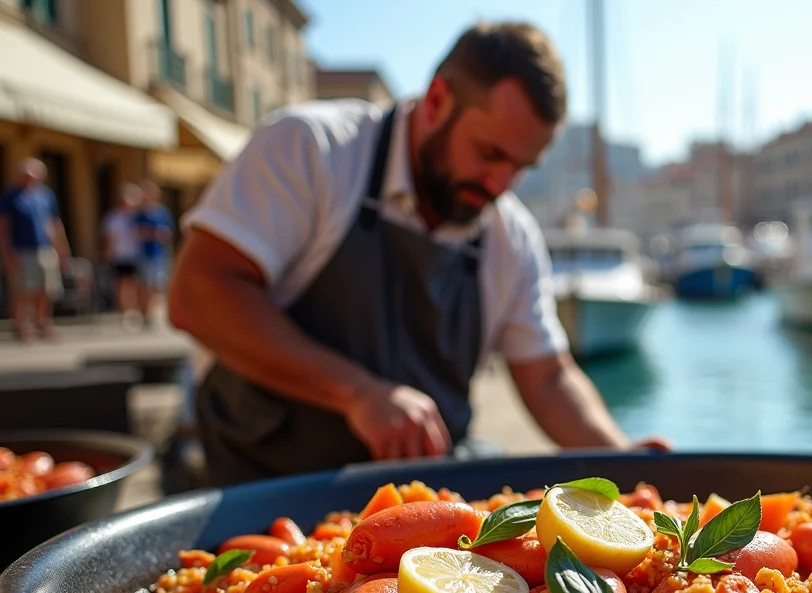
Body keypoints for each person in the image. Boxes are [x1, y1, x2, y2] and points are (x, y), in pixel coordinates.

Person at [169, 21, 668, 487]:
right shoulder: (310, 149)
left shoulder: (510, 235)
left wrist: (620, 459)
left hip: (419, 503)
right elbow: (199, 292)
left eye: (520, 167)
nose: (499, 184)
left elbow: (548, 378)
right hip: (262, 487)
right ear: (435, 101)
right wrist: (357, 392)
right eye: (489, 153)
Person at [0, 158, 71, 342]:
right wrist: (6, 252)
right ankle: (22, 326)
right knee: (23, 290)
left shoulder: (45, 195)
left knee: (47, 290)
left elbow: (54, 222)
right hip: (21, 250)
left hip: (45, 249)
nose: (29, 179)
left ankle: (43, 323)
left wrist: (62, 247)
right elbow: (4, 227)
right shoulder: (11, 197)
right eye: (26, 175)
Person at [102, 183, 145, 327]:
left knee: (133, 284)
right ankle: (125, 311)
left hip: (135, 255)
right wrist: (109, 254)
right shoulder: (114, 218)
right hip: (120, 255)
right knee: (121, 285)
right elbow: (109, 238)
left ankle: (133, 310)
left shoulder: (138, 218)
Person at [135, 180, 174, 324]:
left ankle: (155, 312)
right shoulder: (141, 213)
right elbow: (138, 232)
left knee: (159, 285)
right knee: (146, 285)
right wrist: (154, 233)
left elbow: (168, 233)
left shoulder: (162, 212)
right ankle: (145, 313)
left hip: (160, 253)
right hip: (145, 254)